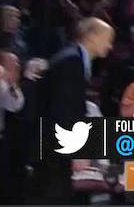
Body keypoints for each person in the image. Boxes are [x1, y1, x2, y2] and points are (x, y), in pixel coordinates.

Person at [39, 17, 114, 203]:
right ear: (92, 36)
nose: (110, 46)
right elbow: (65, 109)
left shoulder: (75, 58)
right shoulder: (71, 60)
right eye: (108, 39)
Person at [0, 51, 24, 202]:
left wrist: (11, 83)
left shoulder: (6, 84)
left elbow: (15, 105)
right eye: (12, 63)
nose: (16, 66)